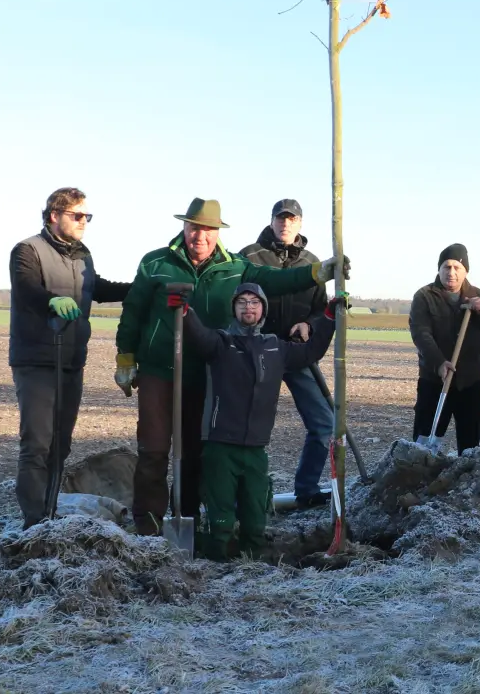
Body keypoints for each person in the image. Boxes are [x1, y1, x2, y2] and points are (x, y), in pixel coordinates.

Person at [115, 198, 348, 536]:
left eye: (208, 229)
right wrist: (125, 358)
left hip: (206, 371)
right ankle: (148, 528)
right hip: (158, 370)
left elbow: (275, 280)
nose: (200, 236)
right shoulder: (155, 263)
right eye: (195, 227)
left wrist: (317, 273)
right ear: (185, 227)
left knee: (195, 452)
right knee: (153, 451)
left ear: (217, 233)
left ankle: (189, 521)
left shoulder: (235, 266)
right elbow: (133, 311)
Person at [175, 283, 338, 559]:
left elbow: (312, 351)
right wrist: (184, 311)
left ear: (263, 309)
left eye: (254, 302)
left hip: (256, 447)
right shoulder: (220, 343)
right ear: (234, 309)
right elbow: (197, 335)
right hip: (220, 445)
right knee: (221, 512)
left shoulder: (275, 347)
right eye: (242, 302)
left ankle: (254, 560)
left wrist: (330, 317)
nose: (248, 307)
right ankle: (215, 559)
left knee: (255, 514)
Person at [8, 188, 132, 528]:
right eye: (77, 215)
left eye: (86, 217)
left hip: (71, 360)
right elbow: (26, 289)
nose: (83, 222)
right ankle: (33, 523)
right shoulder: (27, 250)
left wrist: (140, 287)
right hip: (36, 360)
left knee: (60, 445)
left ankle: (49, 511)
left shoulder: (82, 255)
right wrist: (51, 300)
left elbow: (98, 288)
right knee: (37, 444)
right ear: (54, 215)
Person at [238, 198, 334, 507]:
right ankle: (246, 496)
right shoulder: (250, 257)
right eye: (281, 218)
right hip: (257, 354)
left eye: (292, 219)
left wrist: (309, 323)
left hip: (295, 354)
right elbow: (237, 303)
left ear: (300, 223)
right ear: (271, 220)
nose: (285, 223)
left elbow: (321, 310)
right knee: (245, 425)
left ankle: (306, 490)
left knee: (324, 424)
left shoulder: (312, 263)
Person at [408, 244, 480, 453]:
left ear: (465, 271)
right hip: (434, 381)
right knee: (424, 443)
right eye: (446, 267)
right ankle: (421, 478)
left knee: (470, 445)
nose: (451, 273)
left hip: (469, 381)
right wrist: (439, 363)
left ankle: (465, 480)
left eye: (457, 268)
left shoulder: (476, 295)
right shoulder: (424, 297)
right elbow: (421, 334)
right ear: (439, 269)